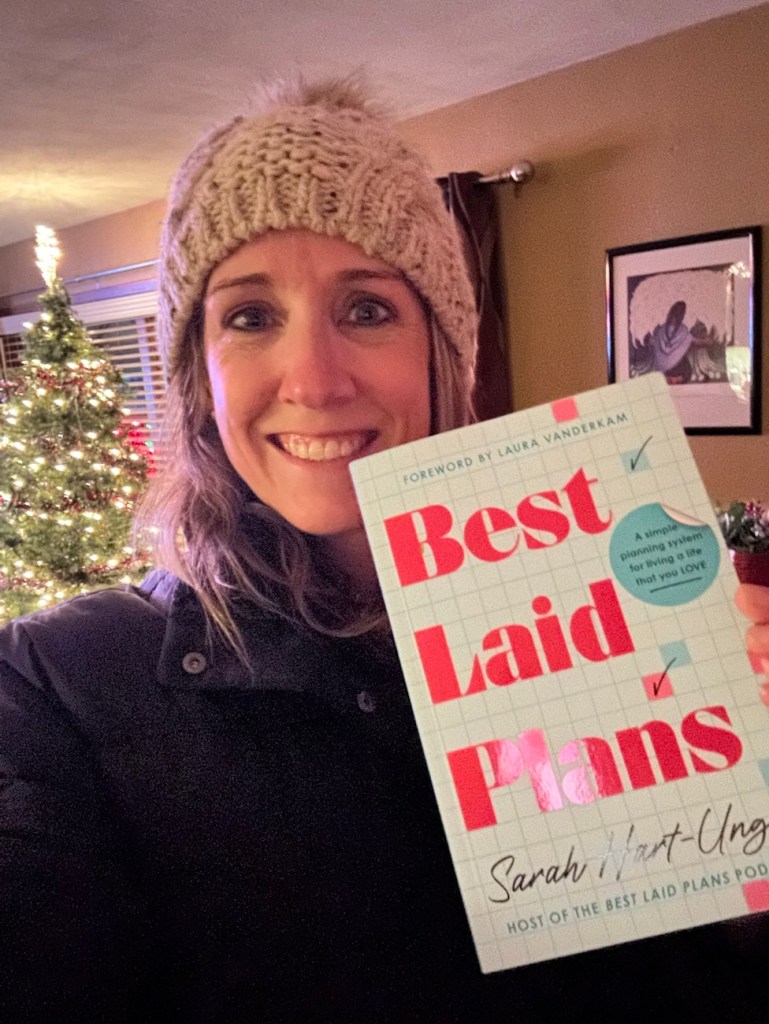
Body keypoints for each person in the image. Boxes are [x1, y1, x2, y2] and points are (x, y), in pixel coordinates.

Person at [1, 77, 767, 1023]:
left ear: (442, 350)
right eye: (249, 316)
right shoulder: (55, 687)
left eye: (366, 309)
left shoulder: (609, 629)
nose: (315, 380)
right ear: (199, 371)